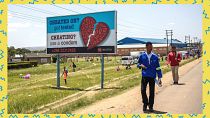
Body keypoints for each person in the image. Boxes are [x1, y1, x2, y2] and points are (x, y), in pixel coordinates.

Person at [137, 42, 162, 112]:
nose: (151, 48)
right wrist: (140, 65)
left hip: (152, 77)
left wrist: (159, 77)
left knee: (152, 92)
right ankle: (145, 103)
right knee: (143, 90)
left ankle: (150, 106)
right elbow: (138, 64)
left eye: (152, 47)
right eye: (150, 47)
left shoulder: (155, 57)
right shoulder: (142, 56)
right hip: (144, 76)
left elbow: (158, 68)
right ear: (146, 47)